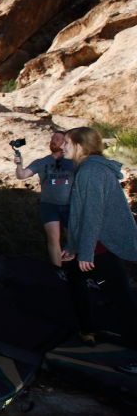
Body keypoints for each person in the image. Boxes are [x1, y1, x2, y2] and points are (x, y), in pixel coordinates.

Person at [60, 127, 137, 348]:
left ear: (80, 146)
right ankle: (87, 329)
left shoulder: (91, 172)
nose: (62, 146)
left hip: (100, 248)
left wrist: (85, 253)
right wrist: (74, 247)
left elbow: (93, 216)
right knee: (75, 280)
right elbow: (80, 215)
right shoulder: (88, 168)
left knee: (121, 299)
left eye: (66, 142)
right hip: (92, 246)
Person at [14, 130, 75, 267]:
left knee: (74, 238)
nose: (53, 141)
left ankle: (78, 268)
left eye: (58, 139)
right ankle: (57, 270)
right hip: (49, 205)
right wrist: (19, 164)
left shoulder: (72, 162)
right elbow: (22, 175)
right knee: (53, 239)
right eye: (52, 139)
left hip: (69, 205)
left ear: (65, 143)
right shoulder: (42, 162)